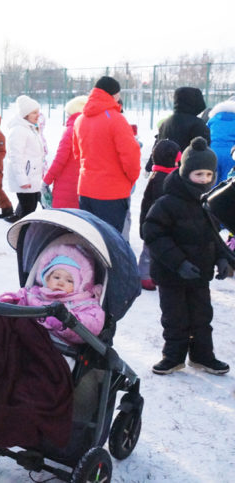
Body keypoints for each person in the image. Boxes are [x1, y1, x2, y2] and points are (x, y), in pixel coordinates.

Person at [142, 137, 231, 376]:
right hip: (172, 274)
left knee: (202, 316)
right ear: (185, 173)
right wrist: (178, 263)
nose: (204, 180)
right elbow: (152, 233)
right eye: (198, 174)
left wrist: (223, 258)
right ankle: (173, 357)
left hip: (199, 273)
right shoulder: (166, 203)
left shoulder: (207, 202)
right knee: (175, 317)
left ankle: (203, 356)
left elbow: (214, 234)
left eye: (208, 175)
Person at [0, 244, 105, 345]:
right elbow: (22, 297)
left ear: (79, 285)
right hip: (24, 337)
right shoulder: (35, 293)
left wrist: (65, 321)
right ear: (47, 278)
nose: (61, 282)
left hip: (55, 346)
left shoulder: (85, 303)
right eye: (56, 277)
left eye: (69, 280)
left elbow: (93, 325)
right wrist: (12, 301)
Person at [73, 76, 141, 233]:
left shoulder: (80, 120)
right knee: (110, 241)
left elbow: (77, 154)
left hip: (85, 189)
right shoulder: (117, 120)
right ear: (115, 95)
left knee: (90, 239)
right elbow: (131, 156)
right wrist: (130, 179)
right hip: (112, 193)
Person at [138, 140, 181, 291]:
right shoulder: (163, 179)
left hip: (155, 224)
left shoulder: (158, 175)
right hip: (156, 224)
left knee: (154, 251)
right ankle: (144, 276)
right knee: (150, 252)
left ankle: (151, 274)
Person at [145, 87, 209, 173]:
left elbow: (158, 145)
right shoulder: (197, 124)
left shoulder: (166, 123)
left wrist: (149, 166)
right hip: (186, 173)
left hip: (164, 172)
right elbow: (203, 150)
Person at [4, 95, 46, 223]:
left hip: (32, 177)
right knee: (28, 213)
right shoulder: (18, 130)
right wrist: (22, 179)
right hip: (25, 178)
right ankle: (22, 239)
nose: (37, 115)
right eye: (34, 112)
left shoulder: (30, 128)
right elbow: (15, 157)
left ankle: (24, 238)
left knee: (29, 210)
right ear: (25, 114)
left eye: (38, 112)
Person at [43, 95, 88, 209]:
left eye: (68, 114)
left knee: (62, 221)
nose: (67, 117)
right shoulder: (90, 129)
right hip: (83, 185)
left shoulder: (71, 130)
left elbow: (60, 159)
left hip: (66, 186)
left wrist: (47, 180)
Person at [206, 98, 235, 184]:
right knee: (227, 180)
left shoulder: (213, 119)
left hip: (213, 151)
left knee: (212, 179)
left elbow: (205, 133)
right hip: (231, 153)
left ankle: (211, 196)